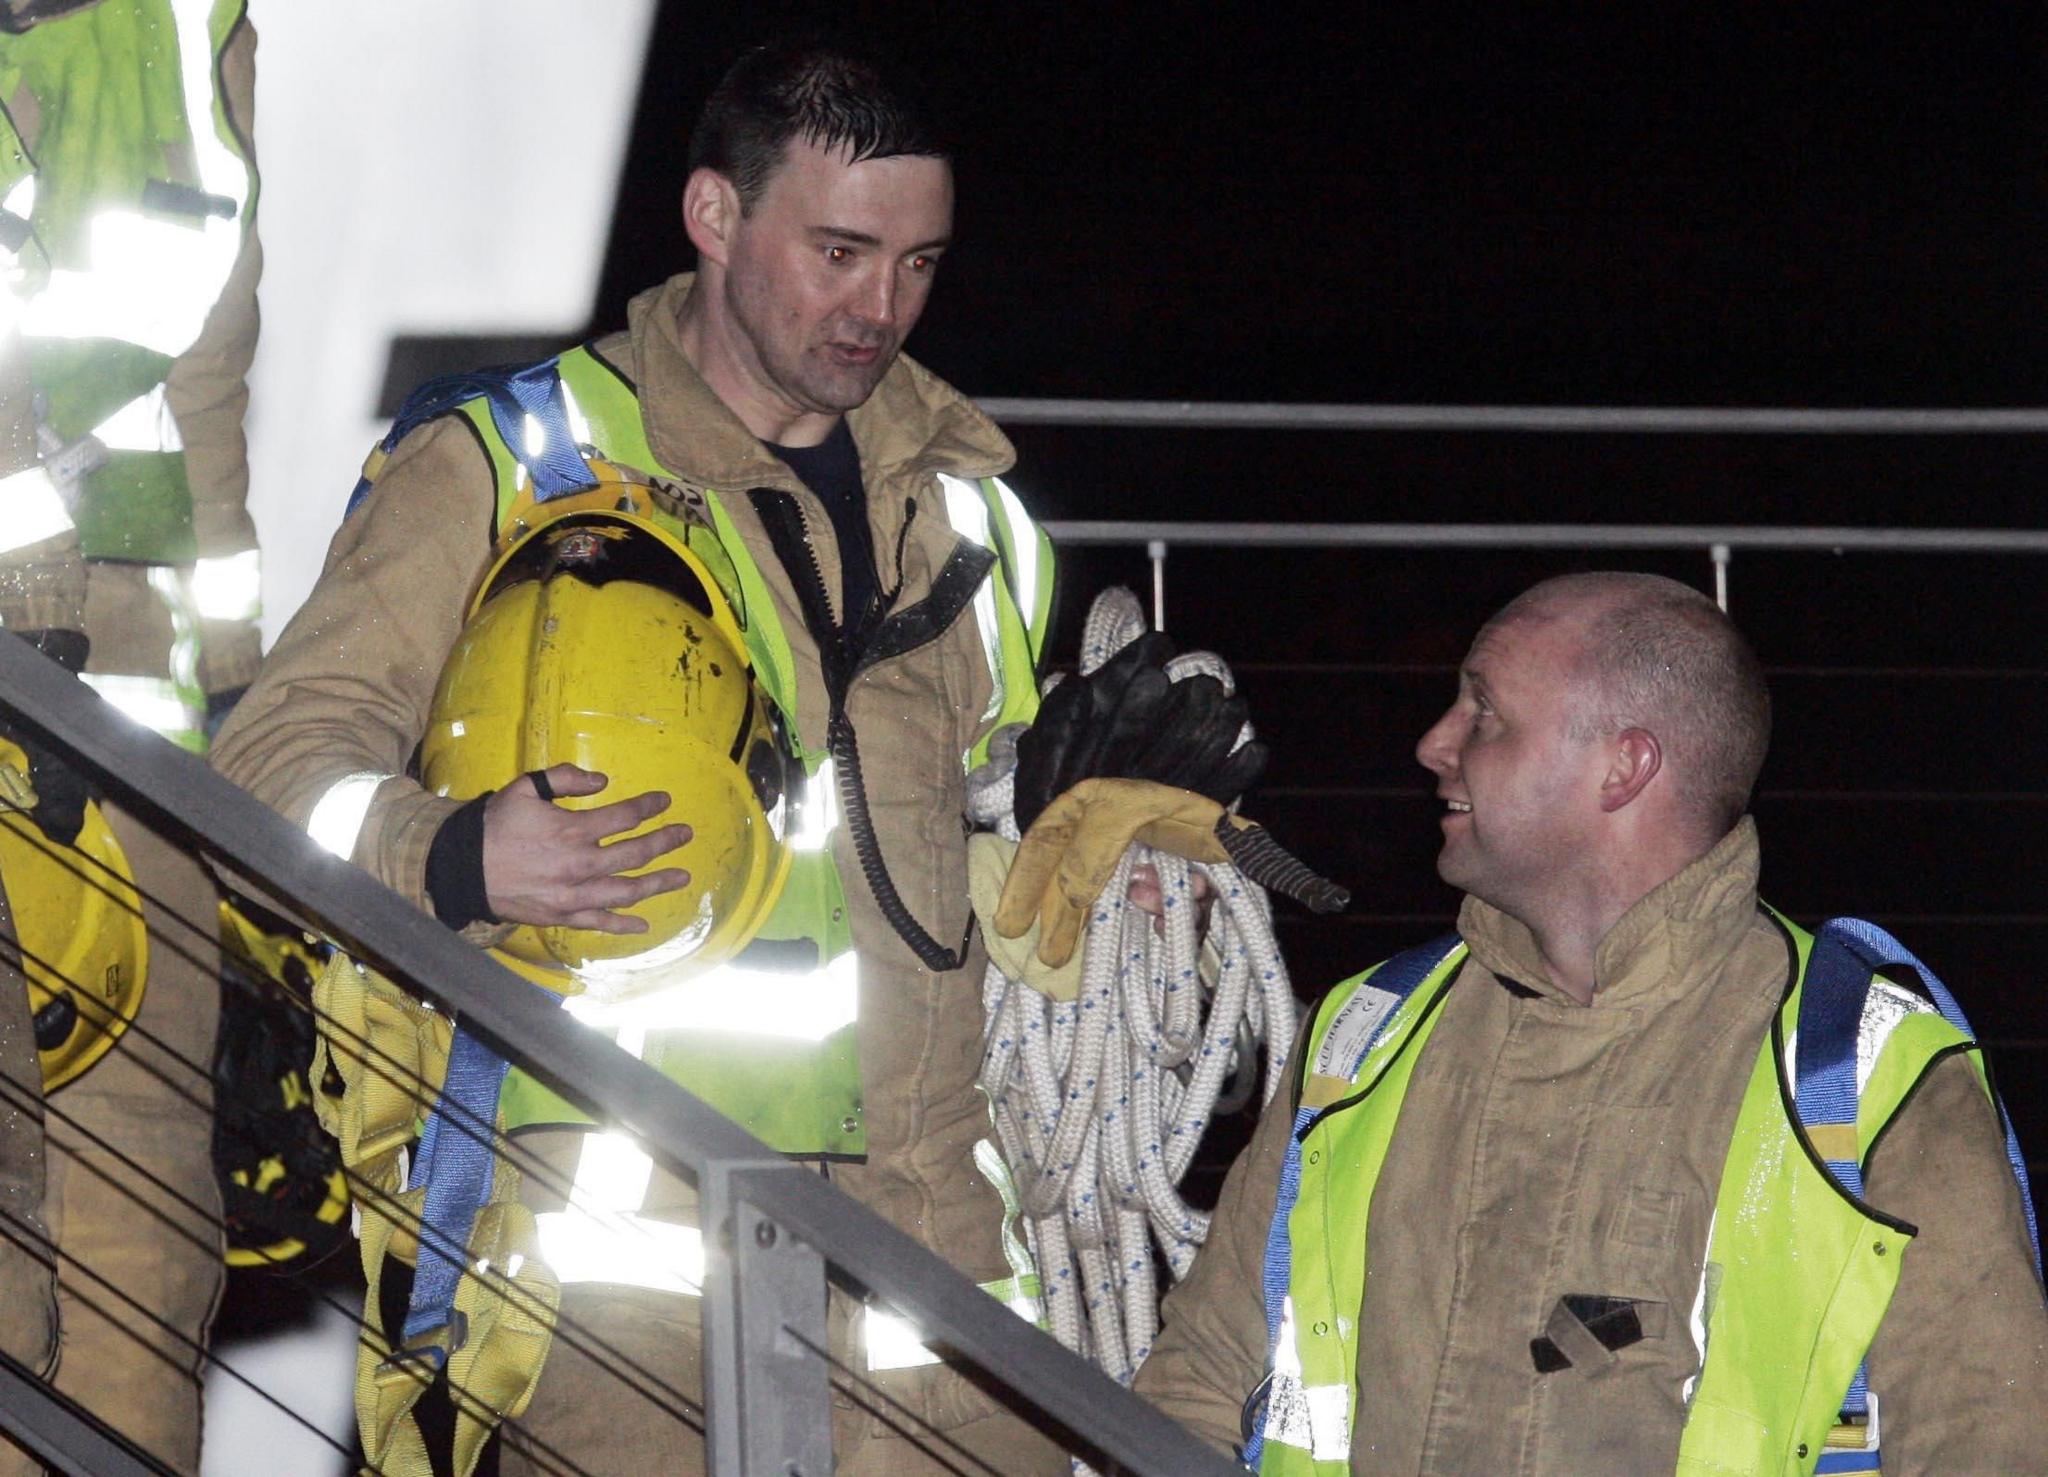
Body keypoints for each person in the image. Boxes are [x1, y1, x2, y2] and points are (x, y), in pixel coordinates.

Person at [211, 39, 1069, 1476]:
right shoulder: (510, 459)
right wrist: (452, 850)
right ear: (715, 216)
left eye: (920, 263)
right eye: (843, 251)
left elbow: (1017, 837)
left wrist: (1128, 844)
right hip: (616, 1276)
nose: (883, 309)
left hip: (940, 1273)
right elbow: (264, 766)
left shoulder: (975, 516)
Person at [1134, 571, 2048, 1474]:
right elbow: (1201, 1381)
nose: (1433, 744)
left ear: (1625, 766)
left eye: (1482, 712)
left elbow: (1990, 1440)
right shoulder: (1363, 1037)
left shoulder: (1868, 1074)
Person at [0, 2, 262, 1469]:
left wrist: (239, 686)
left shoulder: (190, 26)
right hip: (43, 683)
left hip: (126, 736)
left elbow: (208, 381)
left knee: (137, 1276)